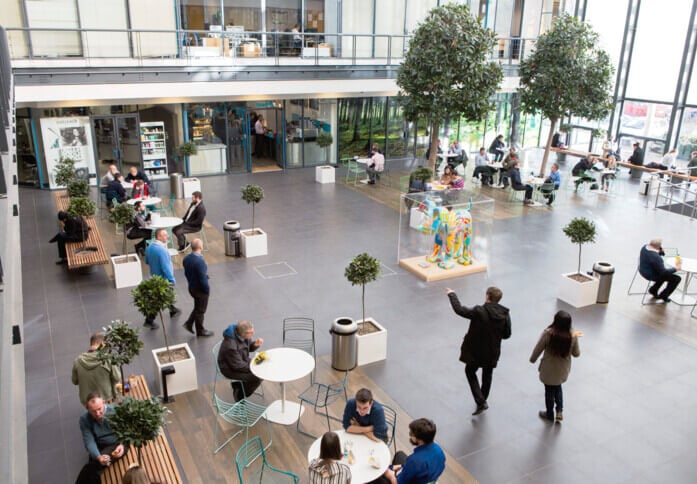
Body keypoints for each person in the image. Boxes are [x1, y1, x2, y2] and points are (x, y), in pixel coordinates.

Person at [446, 286, 511, 415]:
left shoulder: (479, 311)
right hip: (492, 352)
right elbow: (507, 334)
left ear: (487, 296)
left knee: (470, 371)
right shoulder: (505, 314)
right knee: (487, 375)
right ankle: (482, 400)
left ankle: (481, 401)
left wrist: (452, 294)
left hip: (476, 351)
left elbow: (460, 310)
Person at [529, 311, 581, 423]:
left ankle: (549, 413)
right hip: (563, 370)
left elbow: (538, 348)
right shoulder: (573, 335)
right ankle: (559, 411)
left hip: (548, 369)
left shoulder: (548, 334)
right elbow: (576, 354)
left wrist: (532, 359)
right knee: (558, 387)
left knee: (549, 391)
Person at [75, 393, 127, 484]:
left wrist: (122, 444)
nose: (98, 414)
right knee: (94, 470)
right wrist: (98, 456)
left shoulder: (115, 411)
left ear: (103, 403)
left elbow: (125, 431)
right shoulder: (84, 419)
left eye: (99, 409)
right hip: (99, 445)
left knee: (91, 468)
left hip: (117, 444)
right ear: (87, 409)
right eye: (93, 411)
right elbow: (89, 441)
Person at [380, 418, 446, 484]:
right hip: (426, 479)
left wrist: (389, 475)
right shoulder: (440, 451)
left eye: (411, 434)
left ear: (420, 440)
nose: (410, 435)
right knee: (400, 455)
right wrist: (399, 467)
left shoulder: (415, 461)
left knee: (378, 478)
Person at [218, 321, 264, 401]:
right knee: (258, 376)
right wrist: (254, 368)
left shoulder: (241, 334)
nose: (253, 334)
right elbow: (237, 366)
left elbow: (247, 348)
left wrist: (255, 345)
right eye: (251, 333)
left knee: (261, 370)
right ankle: (240, 395)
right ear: (243, 334)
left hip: (241, 361)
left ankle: (238, 385)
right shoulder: (230, 346)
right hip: (230, 369)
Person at [144, 228, 181, 328]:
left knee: (166, 294)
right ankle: (149, 320)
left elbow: (147, 261)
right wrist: (171, 279)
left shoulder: (150, 247)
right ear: (159, 236)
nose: (167, 236)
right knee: (159, 299)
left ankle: (172, 309)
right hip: (163, 279)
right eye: (165, 235)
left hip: (154, 277)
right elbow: (166, 267)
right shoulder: (162, 251)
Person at [72, 333, 121, 406]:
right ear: (102, 343)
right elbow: (117, 378)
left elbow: (75, 381)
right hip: (106, 398)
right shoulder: (108, 359)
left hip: (88, 401)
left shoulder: (77, 361)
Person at [182, 239, 213, 337]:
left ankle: (189, 323)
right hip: (200, 290)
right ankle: (200, 331)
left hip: (191, 286)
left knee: (197, 307)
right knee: (200, 310)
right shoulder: (200, 262)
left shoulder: (186, 258)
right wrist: (207, 290)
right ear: (200, 247)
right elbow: (202, 279)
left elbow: (188, 273)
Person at [638, 238, 681, 302]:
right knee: (676, 279)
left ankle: (653, 290)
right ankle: (664, 295)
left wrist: (659, 250)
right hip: (650, 274)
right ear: (658, 247)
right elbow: (664, 272)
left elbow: (652, 257)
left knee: (661, 273)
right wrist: (676, 268)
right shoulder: (656, 257)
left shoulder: (644, 247)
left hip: (642, 269)